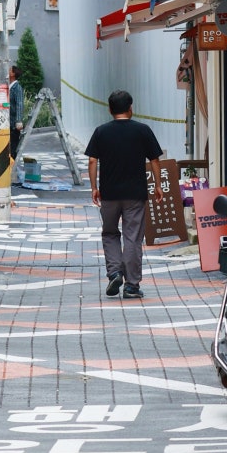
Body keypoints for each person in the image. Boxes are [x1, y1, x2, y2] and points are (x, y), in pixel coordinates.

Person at [85, 89, 163, 300]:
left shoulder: (101, 131)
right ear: (130, 109)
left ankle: (114, 272)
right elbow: (154, 159)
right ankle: (131, 286)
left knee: (110, 233)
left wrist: (94, 187)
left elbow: (92, 160)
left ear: (110, 109)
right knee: (132, 237)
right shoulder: (142, 130)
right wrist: (157, 185)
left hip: (109, 194)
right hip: (135, 194)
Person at [8, 65, 25, 159]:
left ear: (13, 74)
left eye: (9, 70)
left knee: (13, 146)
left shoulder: (17, 87)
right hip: (9, 121)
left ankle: (13, 167)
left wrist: (18, 120)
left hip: (14, 123)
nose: (7, 71)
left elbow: (20, 104)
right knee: (10, 146)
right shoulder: (10, 86)